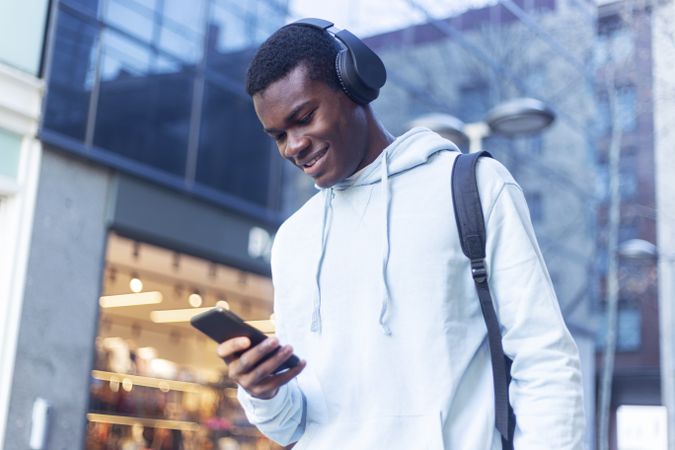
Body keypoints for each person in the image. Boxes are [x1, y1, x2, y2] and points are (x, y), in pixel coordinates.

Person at [216, 19, 586, 449]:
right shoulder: (293, 240)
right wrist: (264, 393)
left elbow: (546, 362)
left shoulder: (472, 186)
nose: (292, 146)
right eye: (278, 135)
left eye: (304, 118)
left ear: (354, 86)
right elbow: (294, 425)